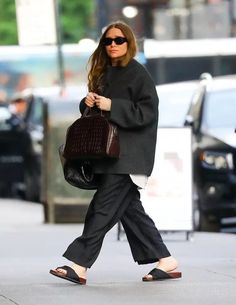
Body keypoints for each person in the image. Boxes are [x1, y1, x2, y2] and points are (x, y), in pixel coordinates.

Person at [50, 21, 182, 285]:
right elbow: (96, 117)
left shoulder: (138, 73)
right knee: (131, 211)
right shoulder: (104, 73)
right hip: (108, 154)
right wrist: (87, 102)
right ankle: (166, 261)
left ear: (128, 43)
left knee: (102, 208)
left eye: (119, 40)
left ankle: (79, 264)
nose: (112, 45)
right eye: (108, 41)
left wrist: (112, 105)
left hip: (128, 156)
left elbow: (147, 113)